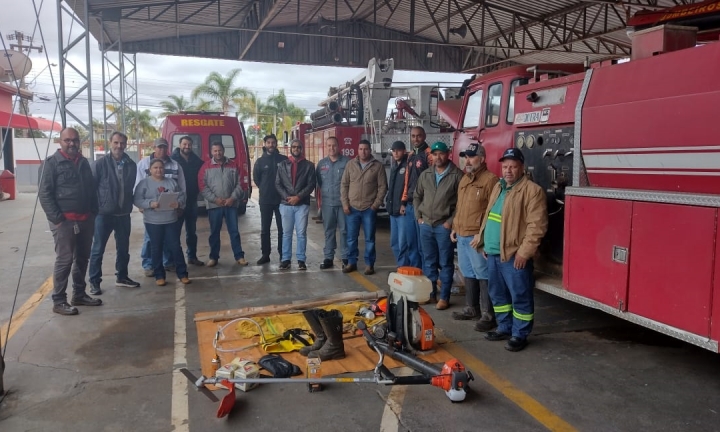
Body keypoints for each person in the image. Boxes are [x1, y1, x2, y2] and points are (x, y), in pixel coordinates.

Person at [472, 148, 548, 352]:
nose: (508, 170)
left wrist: (524, 253)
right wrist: (483, 240)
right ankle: (504, 327)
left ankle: (520, 333)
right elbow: (489, 215)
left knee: (520, 295)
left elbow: (536, 226)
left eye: (513, 166)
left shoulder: (532, 191)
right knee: (498, 295)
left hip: (514, 255)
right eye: (505, 166)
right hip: (493, 253)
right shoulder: (499, 187)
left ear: (521, 168)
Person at [38, 127, 102, 315]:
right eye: (68, 140)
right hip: (64, 222)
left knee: (82, 259)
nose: (72, 143)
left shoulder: (83, 162)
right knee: (65, 261)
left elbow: (91, 189)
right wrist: (58, 220)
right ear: (60, 141)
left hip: (85, 219)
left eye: (75, 140)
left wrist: (93, 212)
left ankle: (79, 295)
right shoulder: (51, 164)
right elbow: (44, 194)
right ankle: (59, 301)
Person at [450, 143, 498, 330]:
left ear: (482, 159)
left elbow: (492, 211)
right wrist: (454, 226)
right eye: (466, 156)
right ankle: (471, 308)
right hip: (462, 234)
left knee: (483, 273)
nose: (467, 160)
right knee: (467, 271)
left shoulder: (490, 180)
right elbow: (460, 207)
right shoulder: (464, 180)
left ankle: (488, 314)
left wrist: (483, 234)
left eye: (471, 156)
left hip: (476, 237)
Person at [88, 131, 139, 296]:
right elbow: (91, 189)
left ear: (126, 144)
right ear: (110, 143)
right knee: (98, 249)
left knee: (123, 249)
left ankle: (122, 277)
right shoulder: (100, 164)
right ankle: (94, 282)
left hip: (123, 214)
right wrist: (96, 209)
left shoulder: (131, 164)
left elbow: (130, 188)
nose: (119, 146)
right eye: (116, 143)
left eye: (122, 143)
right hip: (104, 214)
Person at [414, 142, 463, 309]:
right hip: (426, 225)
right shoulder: (426, 174)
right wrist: (418, 217)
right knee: (429, 262)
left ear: (448, 154)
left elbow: (461, 204)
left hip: (443, 226)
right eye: (435, 154)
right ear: (431, 156)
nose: (438, 157)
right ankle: (431, 295)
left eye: (441, 154)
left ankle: (445, 297)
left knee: (446, 263)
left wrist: (450, 222)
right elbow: (417, 196)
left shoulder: (457, 176)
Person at [134, 159, 190, 286]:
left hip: (170, 220)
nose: (158, 170)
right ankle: (159, 275)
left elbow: (182, 195)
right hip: (153, 222)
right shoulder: (144, 183)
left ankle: (183, 274)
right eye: (155, 168)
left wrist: (179, 203)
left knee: (175, 247)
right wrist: (150, 204)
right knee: (156, 248)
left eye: (161, 167)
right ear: (150, 169)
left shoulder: (171, 182)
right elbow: (137, 200)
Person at [340, 140, 388, 275]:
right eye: (361, 149)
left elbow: (383, 187)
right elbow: (344, 185)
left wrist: (375, 205)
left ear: (370, 150)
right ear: (357, 150)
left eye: (366, 149)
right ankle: (351, 263)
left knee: (370, 239)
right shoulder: (350, 164)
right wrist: (345, 204)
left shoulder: (377, 166)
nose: (363, 151)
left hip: (369, 209)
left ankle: (369, 264)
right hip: (352, 208)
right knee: (351, 238)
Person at [198, 142, 248, 267]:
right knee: (214, 232)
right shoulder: (205, 167)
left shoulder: (233, 165)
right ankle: (213, 257)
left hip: (231, 205)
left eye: (219, 150)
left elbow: (241, 183)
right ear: (211, 152)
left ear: (224, 150)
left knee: (234, 231)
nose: (217, 153)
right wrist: (215, 199)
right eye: (215, 151)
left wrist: (232, 198)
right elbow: (202, 186)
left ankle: (239, 256)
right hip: (215, 206)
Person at [275, 139, 316, 270]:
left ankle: (301, 260)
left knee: (301, 233)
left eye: (298, 147)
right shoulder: (282, 165)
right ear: (290, 149)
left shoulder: (309, 166)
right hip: (285, 204)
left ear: (301, 149)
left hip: (302, 204)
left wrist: (298, 197)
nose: (296, 149)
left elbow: (311, 185)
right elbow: (278, 184)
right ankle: (286, 259)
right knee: (286, 233)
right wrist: (288, 198)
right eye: (294, 147)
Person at [400, 126, 433, 268]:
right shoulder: (411, 155)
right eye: (413, 136)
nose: (416, 139)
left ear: (424, 136)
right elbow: (407, 179)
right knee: (411, 242)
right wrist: (403, 200)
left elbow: (434, 180)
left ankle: (427, 277)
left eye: (418, 136)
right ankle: (416, 273)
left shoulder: (429, 154)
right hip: (409, 205)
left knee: (423, 245)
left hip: (423, 205)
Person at [253, 134, 288, 265]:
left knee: (282, 229)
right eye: (269, 142)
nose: (271, 145)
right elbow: (256, 179)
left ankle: (282, 254)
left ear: (276, 144)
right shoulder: (260, 162)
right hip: (265, 200)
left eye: (273, 142)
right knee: (265, 229)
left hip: (281, 200)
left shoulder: (283, 160)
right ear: (265, 144)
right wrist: (264, 188)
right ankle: (265, 254)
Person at [315, 137, 349, 270]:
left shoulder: (347, 162)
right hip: (327, 203)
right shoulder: (322, 164)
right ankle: (328, 257)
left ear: (338, 146)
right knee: (329, 231)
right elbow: (319, 183)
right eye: (329, 146)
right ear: (326, 147)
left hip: (343, 204)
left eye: (334, 145)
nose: (331, 148)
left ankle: (346, 257)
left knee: (345, 231)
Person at [171, 135, 205, 266]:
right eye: (184, 144)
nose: (187, 147)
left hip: (191, 201)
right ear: (180, 145)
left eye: (189, 144)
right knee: (175, 233)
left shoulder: (196, 161)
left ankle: (192, 256)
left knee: (191, 232)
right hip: (177, 203)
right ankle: (175, 260)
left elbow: (203, 173)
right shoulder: (172, 160)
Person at [386, 140, 419, 268]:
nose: (395, 153)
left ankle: (406, 268)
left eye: (398, 150)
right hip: (392, 210)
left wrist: (404, 203)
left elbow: (408, 187)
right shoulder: (394, 165)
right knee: (394, 243)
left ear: (404, 151)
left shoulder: (408, 165)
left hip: (402, 210)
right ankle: (401, 267)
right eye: (394, 151)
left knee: (404, 243)